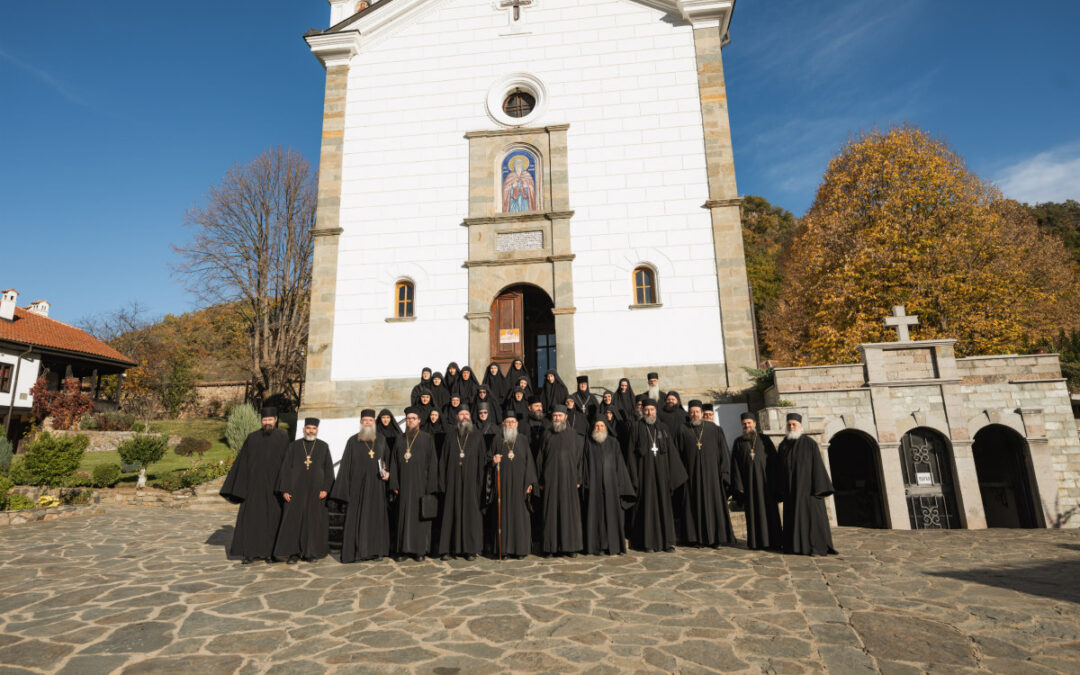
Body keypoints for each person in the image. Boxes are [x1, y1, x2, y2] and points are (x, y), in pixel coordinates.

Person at [220, 406, 289, 564]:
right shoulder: (252, 438)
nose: (267, 423)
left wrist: (285, 485)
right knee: (251, 521)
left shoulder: (283, 438)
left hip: (274, 488)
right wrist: (240, 487)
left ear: (276, 420)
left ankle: (270, 553)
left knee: (272, 521)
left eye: (270, 419)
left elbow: (287, 463)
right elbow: (242, 462)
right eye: (265, 420)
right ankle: (249, 553)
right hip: (254, 488)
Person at [330, 409, 392, 562]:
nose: (368, 423)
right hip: (357, 488)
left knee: (375, 519)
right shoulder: (352, 441)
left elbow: (388, 461)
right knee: (355, 519)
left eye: (370, 420)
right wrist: (344, 491)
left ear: (374, 422)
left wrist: (388, 473)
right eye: (365, 420)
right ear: (361, 422)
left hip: (377, 487)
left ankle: (376, 551)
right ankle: (355, 553)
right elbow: (345, 466)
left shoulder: (381, 440)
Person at [627, 399, 687, 552]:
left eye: (652, 410)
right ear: (643, 411)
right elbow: (630, 455)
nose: (649, 413)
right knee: (646, 508)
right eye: (646, 410)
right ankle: (647, 543)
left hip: (662, 476)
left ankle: (667, 543)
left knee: (664, 507)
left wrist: (672, 478)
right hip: (644, 476)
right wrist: (634, 478)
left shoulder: (663, 428)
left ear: (656, 411)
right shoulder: (636, 427)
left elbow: (671, 453)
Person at [273, 417, 334, 564]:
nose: (310, 431)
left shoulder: (323, 446)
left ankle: (310, 552)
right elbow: (285, 469)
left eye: (313, 428)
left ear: (317, 430)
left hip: (316, 492)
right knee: (294, 522)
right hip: (295, 491)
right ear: (303, 429)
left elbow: (329, 470)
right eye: (308, 428)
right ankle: (293, 553)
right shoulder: (293, 446)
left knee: (312, 523)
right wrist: (285, 489)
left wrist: (326, 489)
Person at [676, 400, 736, 548]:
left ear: (702, 413)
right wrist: (681, 475)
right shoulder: (682, 429)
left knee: (714, 506)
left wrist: (724, 473)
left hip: (713, 477)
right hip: (691, 477)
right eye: (691, 412)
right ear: (688, 413)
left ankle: (716, 539)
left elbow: (723, 452)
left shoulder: (714, 429)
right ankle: (696, 539)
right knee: (693, 507)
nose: (694, 414)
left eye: (697, 412)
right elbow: (677, 455)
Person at [777, 413, 837, 556]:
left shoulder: (810, 444)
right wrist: (780, 489)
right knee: (792, 518)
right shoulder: (783, 445)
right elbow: (779, 469)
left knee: (812, 521)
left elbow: (817, 465)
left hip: (809, 491)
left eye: (794, 424)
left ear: (800, 426)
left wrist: (819, 488)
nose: (791, 427)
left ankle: (814, 548)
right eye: (789, 425)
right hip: (791, 491)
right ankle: (795, 547)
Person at [388, 407, 439, 562]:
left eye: (413, 418)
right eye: (408, 418)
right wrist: (394, 483)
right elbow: (393, 463)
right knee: (403, 517)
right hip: (403, 485)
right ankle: (403, 550)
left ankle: (419, 551)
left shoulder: (427, 438)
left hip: (421, 485)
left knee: (419, 518)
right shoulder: (399, 439)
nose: (410, 421)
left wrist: (430, 486)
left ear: (419, 421)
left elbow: (433, 463)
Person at [438, 408, 487, 561]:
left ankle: (470, 549)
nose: (464, 417)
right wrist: (442, 482)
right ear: (457, 417)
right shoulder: (449, 436)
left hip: (471, 483)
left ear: (470, 417)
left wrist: (480, 483)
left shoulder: (477, 436)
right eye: (461, 414)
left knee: (470, 514)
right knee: (450, 513)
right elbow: (443, 460)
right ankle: (447, 549)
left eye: (466, 414)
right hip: (452, 481)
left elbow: (482, 461)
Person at [487, 413, 538, 558]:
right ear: (503, 424)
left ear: (517, 424)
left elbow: (530, 462)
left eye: (512, 422)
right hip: (502, 485)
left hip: (520, 486)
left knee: (520, 516)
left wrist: (530, 483)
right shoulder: (497, 439)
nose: (510, 424)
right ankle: (504, 550)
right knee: (503, 516)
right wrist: (493, 461)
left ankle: (520, 550)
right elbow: (488, 458)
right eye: (507, 422)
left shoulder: (523, 439)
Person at [536, 406, 585, 557]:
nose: (557, 418)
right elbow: (540, 458)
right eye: (555, 415)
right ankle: (550, 548)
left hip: (569, 480)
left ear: (565, 417)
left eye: (560, 415)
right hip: (550, 480)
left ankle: (570, 547)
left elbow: (579, 459)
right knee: (550, 513)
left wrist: (578, 478)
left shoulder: (573, 434)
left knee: (569, 513)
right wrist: (540, 480)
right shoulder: (546, 434)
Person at [582, 419, 636, 555]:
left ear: (606, 427)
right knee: (596, 516)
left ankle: (613, 546)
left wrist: (621, 485)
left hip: (611, 486)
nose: (599, 428)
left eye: (602, 426)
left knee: (612, 516)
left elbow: (620, 465)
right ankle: (598, 547)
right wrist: (586, 483)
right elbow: (585, 465)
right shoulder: (588, 443)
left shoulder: (613, 443)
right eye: (597, 426)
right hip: (594, 487)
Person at [730, 412, 783, 551]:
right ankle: (756, 542)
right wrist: (739, 486)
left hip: (766, 485)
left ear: (755, 423)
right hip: (749, 486)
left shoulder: (765, 440)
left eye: (749, 423)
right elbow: (735, 465)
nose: (747, 425)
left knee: (770, 512)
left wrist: (774, 482)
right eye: (744, 423)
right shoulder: (738, 442)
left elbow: (774, 462)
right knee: (753, 514)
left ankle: (774, 541)